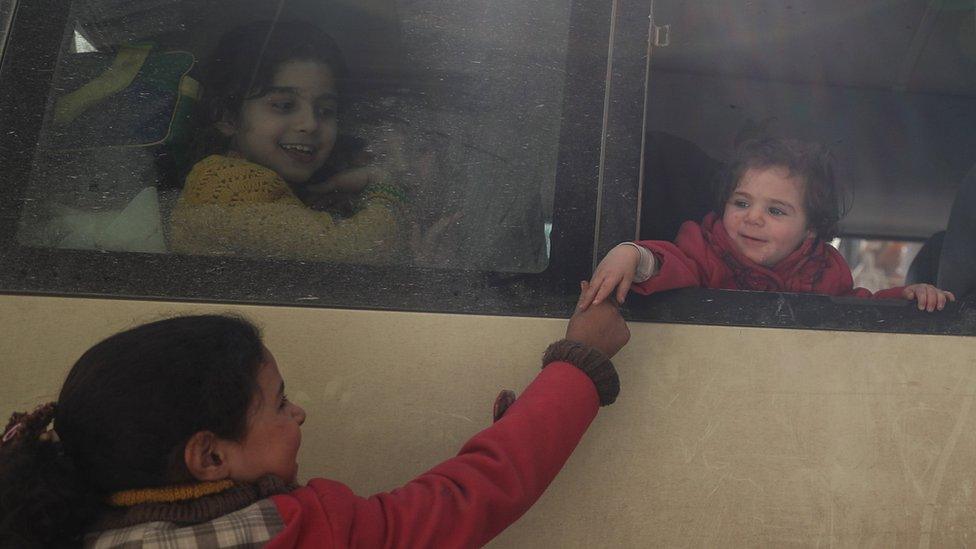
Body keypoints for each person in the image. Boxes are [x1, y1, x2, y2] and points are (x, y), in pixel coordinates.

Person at [0, 283, 629, 547]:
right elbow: (472, 494)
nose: (298, 412)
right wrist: (578, 363)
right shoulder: (293, 531)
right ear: (210, 457)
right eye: (278, 403)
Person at [581, 137, 956, 312]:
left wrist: (906, 298)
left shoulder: (825, 272)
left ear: (810, 230)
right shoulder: (705, 249)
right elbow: (672, 264)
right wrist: (634, 256)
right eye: (741, 202)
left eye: (776, 211)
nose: (753, 217)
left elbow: (859, 308)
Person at [169, 21, 403, 262]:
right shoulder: (225, 179)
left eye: (325, 110)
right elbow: (361, 250)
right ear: (227, 117)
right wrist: (384, 187)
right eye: (284, 106)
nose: (310, 124)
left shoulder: (277, 189)